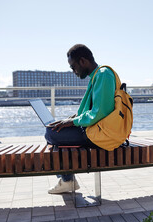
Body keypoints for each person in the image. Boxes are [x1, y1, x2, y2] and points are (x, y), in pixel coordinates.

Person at [45, 44, 116, 194]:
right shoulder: (97, 76)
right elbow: (93, 109)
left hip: (103, 133)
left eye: (73, 67)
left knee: (51, 134)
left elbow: (100, 112)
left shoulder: (103, 74)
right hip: (95, 128)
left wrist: (72, 122)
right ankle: (67, 180)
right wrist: (74, 118)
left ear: (83, 61)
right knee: (54, 129)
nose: (73, 71)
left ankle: (67, 181)